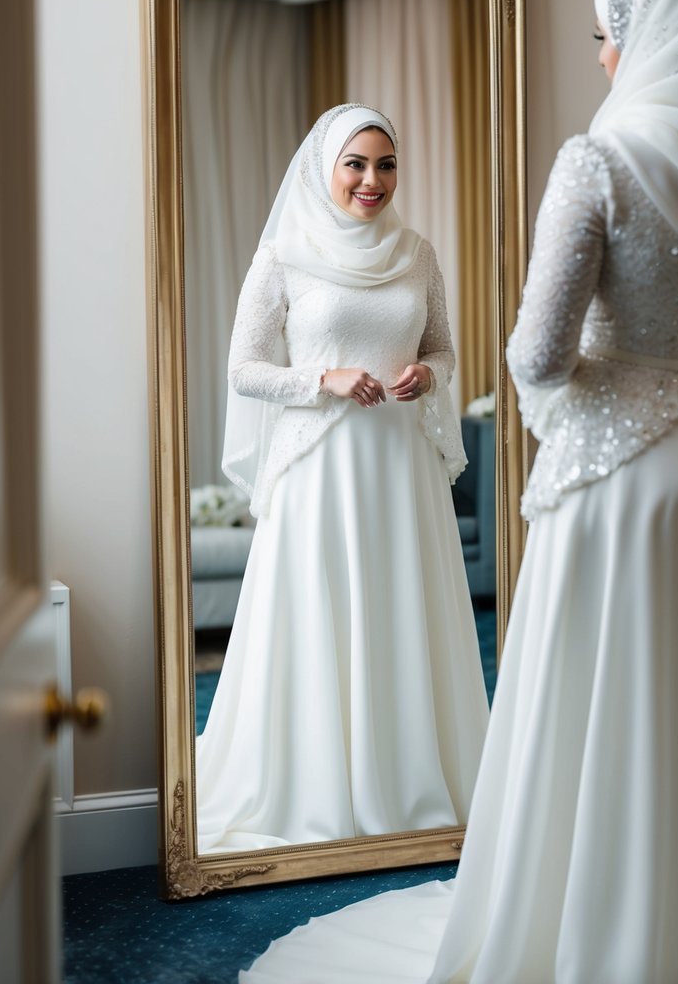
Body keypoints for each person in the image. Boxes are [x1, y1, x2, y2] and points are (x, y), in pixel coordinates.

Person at [242, 0, 678, 982]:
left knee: (621, 694)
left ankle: (606, 915)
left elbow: (535, 353)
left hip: (631, 473)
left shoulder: (599, 159)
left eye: (606, 37)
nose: (601, 60)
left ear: (646, 38)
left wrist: (621, 380)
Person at [195, 104, 489, 854]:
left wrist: (429, 373)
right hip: (318, 472)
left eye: (385, 164)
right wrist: (323, 377)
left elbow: (445, 350)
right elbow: (243, 370)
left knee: (399, 611)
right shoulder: (283, 258)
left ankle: (408, 781)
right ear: (324, 169)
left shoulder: (418, 254)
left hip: (399, 471)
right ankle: (318, 790)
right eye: (355, 164)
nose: (371, 180)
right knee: (320, 615)